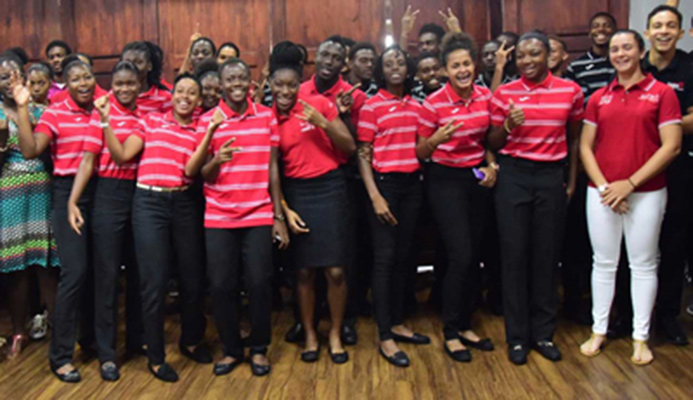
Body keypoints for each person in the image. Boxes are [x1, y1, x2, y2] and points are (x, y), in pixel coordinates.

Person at [578, 29, 682, 366]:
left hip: (647, 193)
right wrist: (608, 187)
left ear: (641, 51)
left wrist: (630, 184)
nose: (620, 53)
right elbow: (584, 147)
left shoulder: (662, 93)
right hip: (602, 193)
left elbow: (672, 146)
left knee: (643, 264)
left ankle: (640, 337)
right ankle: (599, 330)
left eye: (627, 47)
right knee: (604, 264)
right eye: (614, 49)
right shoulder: (599, 97)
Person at [102, 73, 211, 382]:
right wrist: (105, 123)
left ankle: (191, 340)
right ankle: (156, 357)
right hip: (149, 204)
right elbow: (122, 155)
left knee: (192, 277)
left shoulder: (203, 126)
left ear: (199, 100)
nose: (186, 97)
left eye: (192, 93)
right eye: (181, 91)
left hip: (185, 202)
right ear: (172, 95)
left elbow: (198, 166)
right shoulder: (150, 121)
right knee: (154, 281)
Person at [488, 31, 584, 366]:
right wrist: (509, 127)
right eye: (521, 56)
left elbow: (574, 140)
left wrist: (570, 182)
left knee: (547, 257)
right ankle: (517, 337)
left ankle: (543, 333)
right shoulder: (504, 93)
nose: (527, 61)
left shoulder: (570, 91)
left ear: (550, 56)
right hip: (513, 176)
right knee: (514, 256)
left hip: (550, 176)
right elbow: (492, 143)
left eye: (535, 54)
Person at [189, 57, 289, 377]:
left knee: (259, 283)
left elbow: (273, 167)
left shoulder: (266, 116)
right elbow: (201, 173)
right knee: (221, 285)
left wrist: (278, 215)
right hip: (219, 214)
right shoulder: (208, 120)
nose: (236, 84)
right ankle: (232, 349)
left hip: (258, 211)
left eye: (241, 78)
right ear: (220, 83)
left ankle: (259, 348)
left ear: (250, 82)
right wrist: (218, 159)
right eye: (229, 79)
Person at [270, 41, 356, 364]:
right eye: (279, 85)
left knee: (335, 270)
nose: (286, 91)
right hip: (297, 193)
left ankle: (333, 332)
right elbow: (272, 169)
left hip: (330, 189)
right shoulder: (269, 118)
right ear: (271, 87)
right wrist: (282, 210)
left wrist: (323, 122)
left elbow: (348, 148)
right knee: (304, 271)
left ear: (299, 84)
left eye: (292, 84)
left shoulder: (319, 102)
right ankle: (309, 333)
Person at [14, 57, 98, 383]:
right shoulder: (55, 112)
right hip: (67, 194)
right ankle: (60, 355)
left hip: (102, 193)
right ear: (66, 82)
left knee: (98, 273)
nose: (83, 82)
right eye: (75, 78)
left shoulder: (104, 109)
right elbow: (31, 149)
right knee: (74, 271)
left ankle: (92, 342)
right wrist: (22, 108)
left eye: (87, 76)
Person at [417, 32, 498, 363]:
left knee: (473, 254)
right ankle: (451, 331)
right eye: (455, 65)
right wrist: (436, 138)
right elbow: (420, 152)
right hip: (443, 180)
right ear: (445, 70)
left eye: (466, 63)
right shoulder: (432, 103)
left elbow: (490, 139)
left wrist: (492, 165)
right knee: (461, 254)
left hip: (475, 178)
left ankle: (465, 325)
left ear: (474, 65)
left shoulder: (485, 97)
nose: (462, 70)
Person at [65, 61, 145, 381]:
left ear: (139, 84)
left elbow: (127, 154)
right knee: (107, 278)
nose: (125, 89)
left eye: (130, 83)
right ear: (112, 86)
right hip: (107, 197)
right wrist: (72, 200)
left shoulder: (143, 119)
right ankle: (107, 353)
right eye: (119, 84)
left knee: (139, 274)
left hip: (137, 196)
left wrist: (107, 121)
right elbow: (88, 161)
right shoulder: (100, 116)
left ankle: (137, 341)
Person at [356, 45, 430, 368]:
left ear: (407, 67)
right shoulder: (372, 106)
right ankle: (384, 334)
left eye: (400, 61)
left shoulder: (418, 105)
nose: (395, 66)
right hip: (383, 186)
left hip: (413, 187)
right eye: (389, 63)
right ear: (381, 71)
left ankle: (398, 322)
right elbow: (363, 154)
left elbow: (423, 147)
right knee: (384, 260)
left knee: (404, 258)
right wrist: (374, 195)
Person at [295, 36, 367, 346]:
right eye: (325, 53)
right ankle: (306, 323)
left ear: (344, 64)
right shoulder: (296, 92)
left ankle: (343, 322)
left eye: (336, 57)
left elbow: (356, 145)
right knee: (305, 265)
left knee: (340, 262)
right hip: (300, 181)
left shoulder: (354, 95)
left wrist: (344, 115)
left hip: (342, 180)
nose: (329, 60)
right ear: (316, 56)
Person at [0, 55, 59, 360]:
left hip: (44, 190)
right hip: (9, 193)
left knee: (47, 263)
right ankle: (19, 330)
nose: (9, 83)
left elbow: (51, 151)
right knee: (16, 267)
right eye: (2, 78)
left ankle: (60, 328)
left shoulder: (41, 109)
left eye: (14, 76)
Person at [642, 5, 693, 347]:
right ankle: (630, 317)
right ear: (647, 32)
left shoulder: (690, 66)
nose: (663, 31)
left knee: (674, 243)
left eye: (670, 25)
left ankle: (667, 317)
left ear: (681, 32)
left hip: (680, 168)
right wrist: (675, 121)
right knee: (637, 247)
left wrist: (652, 122)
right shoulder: (634, 63)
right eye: (657, 25)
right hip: (635, 168)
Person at [565, 12, 617, 101]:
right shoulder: (576, 66)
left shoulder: (622, 62)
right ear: (589, 33)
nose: (601, 29)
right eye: (595, 26)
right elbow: (571, 98)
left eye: (607, 25)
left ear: (615, 32)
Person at [121, 41, 172, 115]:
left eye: (138, 62)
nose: (132, 67)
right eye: (127, 62)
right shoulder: (112, 97)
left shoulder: (165, 98)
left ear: (149, 66)